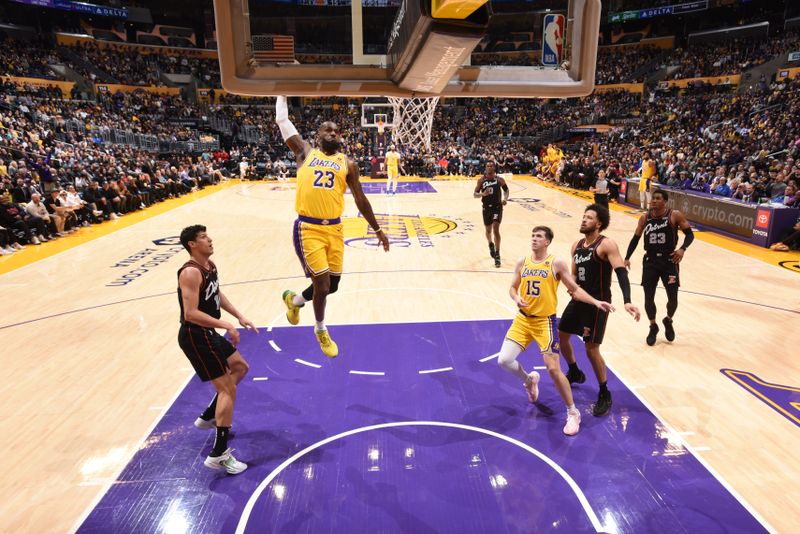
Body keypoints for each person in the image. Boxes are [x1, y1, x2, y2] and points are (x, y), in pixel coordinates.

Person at [277, 96, 390, 358]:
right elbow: (282, 120)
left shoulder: (348, 164)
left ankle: (294, 301)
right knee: (323, 285)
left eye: (336, 131)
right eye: (327, 129)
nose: (332, 133)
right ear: (318, 136)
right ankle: (320, 330)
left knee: (333, 285)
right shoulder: (305, 152)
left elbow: (361, 199)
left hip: (336, 229)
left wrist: (378, 230)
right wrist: (281, 93)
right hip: (309, 229)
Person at [498, 225, 614, 436]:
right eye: (532, 235)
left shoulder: (556, 263)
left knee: (553, 368)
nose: (534, 239)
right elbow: (512, 287)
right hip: (523, 321)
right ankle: (529, 380)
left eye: (539, 236)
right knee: (504, 360)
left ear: (547, 242)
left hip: (545, 323)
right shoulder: (522, 262)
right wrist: (516, 298)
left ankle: (572, 412)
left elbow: (575, 289)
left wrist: (596, 301)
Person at [177, 224, 258, 475]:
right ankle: (219, 454)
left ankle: (210, 415)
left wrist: (238, 315)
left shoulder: (209, 267)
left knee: (240, 367)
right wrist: (225, 323)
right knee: (227, 388)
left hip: (207, 332)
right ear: (192, 244)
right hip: (195, 335)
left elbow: (216, 294)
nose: (209, 239)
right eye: (203, 237)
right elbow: (190, 314)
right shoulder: (189, 272)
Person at [558, 204, 641, 417]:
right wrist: (572, 287)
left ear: (599, 223)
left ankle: (604, 391)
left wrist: (628, 300)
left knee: (591, 349)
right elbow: (574, 274)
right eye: (583, 216)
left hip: (599, 303)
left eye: (589, 217)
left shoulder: (606, 245)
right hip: (580, 300)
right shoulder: (576, 245)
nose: (584, 220)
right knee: (562, 334)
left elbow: (621, 272)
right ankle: (575, 371)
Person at [624, 189, 693, 345]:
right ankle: (653, 325)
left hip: (669, 261)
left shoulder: (674, 215)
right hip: (650, 261)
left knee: (673, 299)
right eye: (652, 198)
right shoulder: (644, 217)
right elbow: (635, 238)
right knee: (649, 297)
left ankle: (668, 320)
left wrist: (682, 249)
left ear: (665, 201)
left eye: (657, 198)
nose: (653, 201)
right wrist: (627, 257)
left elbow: (690, 234)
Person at [473, 161, 509, 268]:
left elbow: (506, 191)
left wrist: (505, 199)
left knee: (496, 229)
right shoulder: (481, 180)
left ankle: (497, 254)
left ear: (494, 168)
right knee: (488, 230)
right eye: (487, 165)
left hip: (497, 207)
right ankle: (490, 244)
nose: (489, 167)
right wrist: (482, 194)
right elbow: (474, 194)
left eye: (491, 166)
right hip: (486, 208)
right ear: (485, 167)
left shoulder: (500, 180)